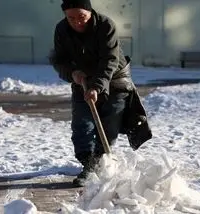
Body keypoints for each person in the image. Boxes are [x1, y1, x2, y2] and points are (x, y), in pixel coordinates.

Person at [50, 0, 152, 187]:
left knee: (108, 126)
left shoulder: (105, 25)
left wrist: (96, 87)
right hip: (82, 80)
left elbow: (109, 60)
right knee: (82, 124)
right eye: (71, 18)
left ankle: (100, 163)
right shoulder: (62, 29)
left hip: (115, 80)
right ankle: (89, 165)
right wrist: (73, 73)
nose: (77, 22)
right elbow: (59, 60)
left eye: (81, 17)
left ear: (89, 12)